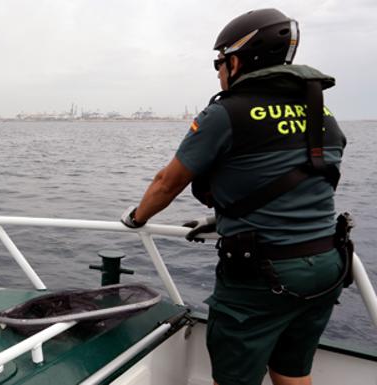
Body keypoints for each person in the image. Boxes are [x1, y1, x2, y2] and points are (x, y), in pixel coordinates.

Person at [120, 8, 350, 385]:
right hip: (327, 263)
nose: (219, 71)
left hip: (263, 275)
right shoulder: (321, 112)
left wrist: (136, 219)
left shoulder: (225, 113)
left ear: (237, 60)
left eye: (219, 63)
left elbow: (167, 183)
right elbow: (310, 182)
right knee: (292, 371)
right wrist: (224, 217)